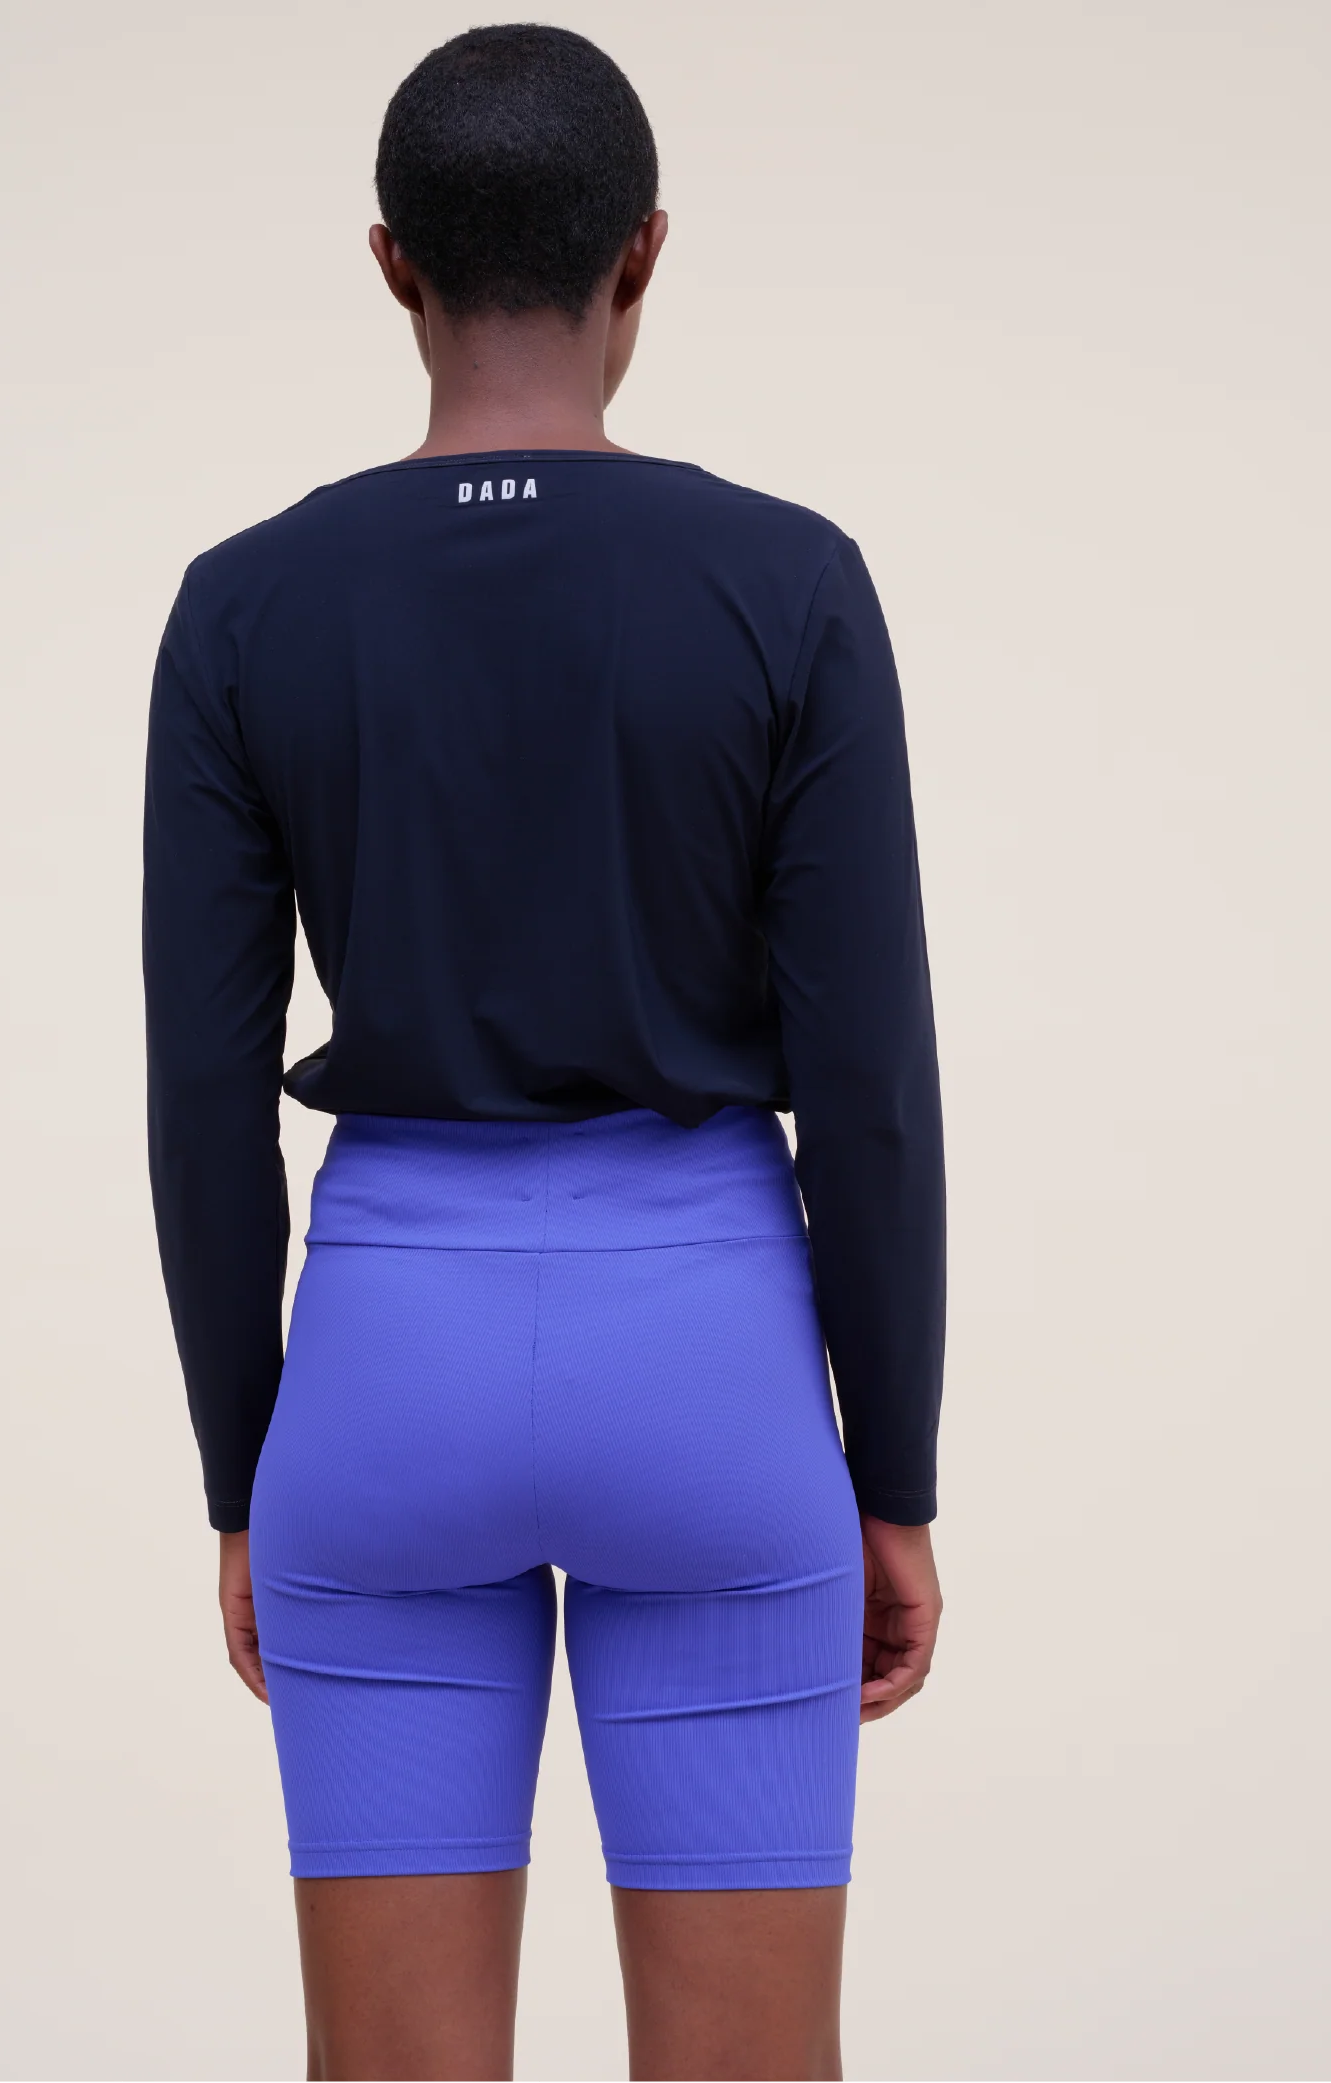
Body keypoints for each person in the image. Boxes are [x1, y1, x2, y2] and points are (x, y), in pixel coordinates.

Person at [143, 24, 945, 2083]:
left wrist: (246, 1470)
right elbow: (864, 1081)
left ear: (391, 265)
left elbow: (203, 1094)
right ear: (642, 253)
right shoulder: (788, 583)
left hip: (383, 1367)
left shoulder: (244, 607)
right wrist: (893, 1472)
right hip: (709, 1361)